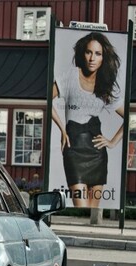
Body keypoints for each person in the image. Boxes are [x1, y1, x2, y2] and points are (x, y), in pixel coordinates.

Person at [52, 32, 124, 208]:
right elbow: (46, 101)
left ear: (103, 57)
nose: (92, 58)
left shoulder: (105, 85)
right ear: (82, 54)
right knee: (81, 208)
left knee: (92, 210)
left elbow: (129, 117)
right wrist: (62, 130)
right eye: (88, 52)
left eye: (98, 54)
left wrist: (113, 142)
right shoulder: (70, 76)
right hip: (73, 149)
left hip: (97, 153)